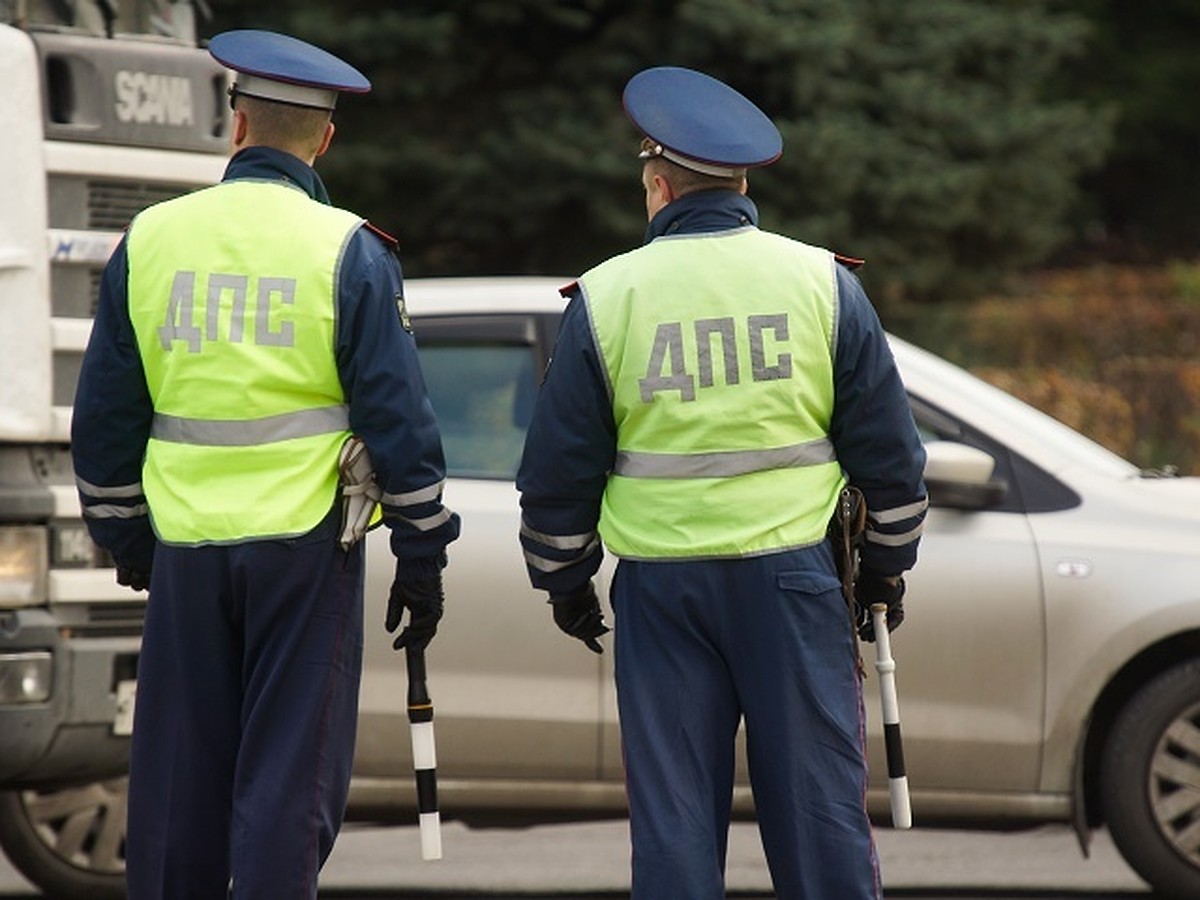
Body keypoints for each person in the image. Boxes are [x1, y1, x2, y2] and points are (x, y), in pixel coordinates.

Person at [516, 66, 928, 899]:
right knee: (819, 819)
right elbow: (892, 456)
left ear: (659, 187)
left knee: (674, 830)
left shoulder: (607, 295)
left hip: (663, 594)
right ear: (740, 184)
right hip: (793, 584)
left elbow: (558, 472)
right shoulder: (821, 282)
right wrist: (885, 568)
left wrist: (564, 581)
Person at [70, 29, 460, 899]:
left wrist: (128, 537)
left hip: (184, 547)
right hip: (303, 549)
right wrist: (423, 554)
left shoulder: (151, 239)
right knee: (288, 781)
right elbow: (399, 422)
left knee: (177, 782)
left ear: (235, 127)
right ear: (324, 140)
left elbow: (103, 421)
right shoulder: (349, 249)